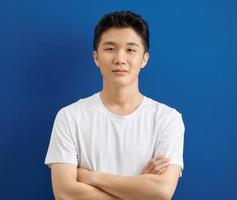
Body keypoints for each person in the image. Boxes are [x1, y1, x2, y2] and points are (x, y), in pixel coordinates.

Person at [44, 10, 185, 200]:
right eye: (110, 49)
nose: (120, 59)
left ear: (144, 59)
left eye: (130, 50)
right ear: (96, 57)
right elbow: (65, 193)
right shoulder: (70, 116)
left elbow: (161, 192)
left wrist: (93, 177)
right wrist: (139, 190)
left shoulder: (167, 119)